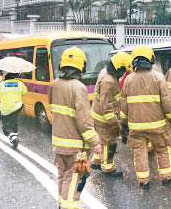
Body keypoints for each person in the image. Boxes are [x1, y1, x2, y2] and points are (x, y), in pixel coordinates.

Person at [48, 46, 102, 209]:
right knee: (76, 179)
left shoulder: (55, 84)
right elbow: (84, 120)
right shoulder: (78, 87)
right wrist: (95, 142)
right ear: (81, 66)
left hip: (59, 145)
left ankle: (62, 204)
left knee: (63, 177)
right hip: (78, 149)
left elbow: (53, 109)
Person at [120, 45, 171, 190]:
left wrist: (124, 122)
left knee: (139, 154)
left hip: (136, 127)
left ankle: (143, 182)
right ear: (151, 59)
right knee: (162, 150)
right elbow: (166, 102)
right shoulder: (158, 77)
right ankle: (166, 177)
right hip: (157, 126)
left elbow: (124, 104)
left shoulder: (128, 80)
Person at [90, 51, 131, 177]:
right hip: (104, 118)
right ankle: (107, 168)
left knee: (102, 140)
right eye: (123, 70)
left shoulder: (105, 72)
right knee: (109, 143)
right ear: (119, 68)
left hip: (98, 115)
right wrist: (114, 123)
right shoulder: (109, 81)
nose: (123, 73)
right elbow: (106, 106)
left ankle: (96, 162)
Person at [0, 72, 27, 149]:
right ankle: (15, 135)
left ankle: (13, 137)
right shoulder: (19, 83)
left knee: (6, 125)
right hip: (16, 106)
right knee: (14, 121)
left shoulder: (2, 84)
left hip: (6, 108)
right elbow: (25, 92)